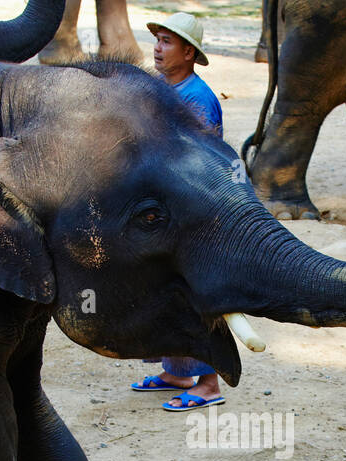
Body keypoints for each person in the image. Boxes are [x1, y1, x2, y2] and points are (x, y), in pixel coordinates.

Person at [129, 12, 227, 410]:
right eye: (157, 40)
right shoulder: (161, 89)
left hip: (192, 211)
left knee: (194, 294)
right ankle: (176, 371)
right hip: (162, 209)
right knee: (165, 291)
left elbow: (196, 161)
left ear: (189, 52)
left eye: (168, 42)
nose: (157, 48)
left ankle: (209, 383)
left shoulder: (197, 98)